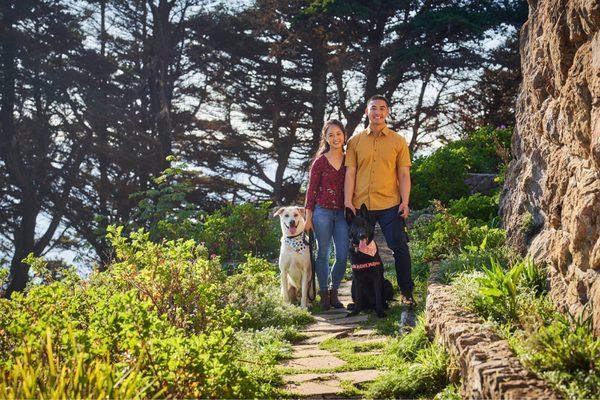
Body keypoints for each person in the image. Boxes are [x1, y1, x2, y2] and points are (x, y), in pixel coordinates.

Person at [344, 95, 415, 305]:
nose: (378, 112)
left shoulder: (398, 141)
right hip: (361, 207)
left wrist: (405, 201)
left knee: (399, 247)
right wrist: (348, 201)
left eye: (382, 108)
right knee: (359, 249)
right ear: (367, 112)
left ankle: (406, 292)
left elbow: (403, 175)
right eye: (373, 108)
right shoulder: (354, 142)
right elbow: (350, 174)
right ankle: (362, 297)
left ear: (388, 112)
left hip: (389, 205)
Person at [305, 120, 349, 310]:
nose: (335, 138)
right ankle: (323, 293)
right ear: (325, 138)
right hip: (322, 212)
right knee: (323, 253)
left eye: (338, 134)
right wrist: (308, 218)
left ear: (344, 135)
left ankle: (334, 291)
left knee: (342, 255)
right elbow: (311, 190)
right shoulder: (320, 162)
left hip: (343, 214)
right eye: (331, 135)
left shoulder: (350, 160)